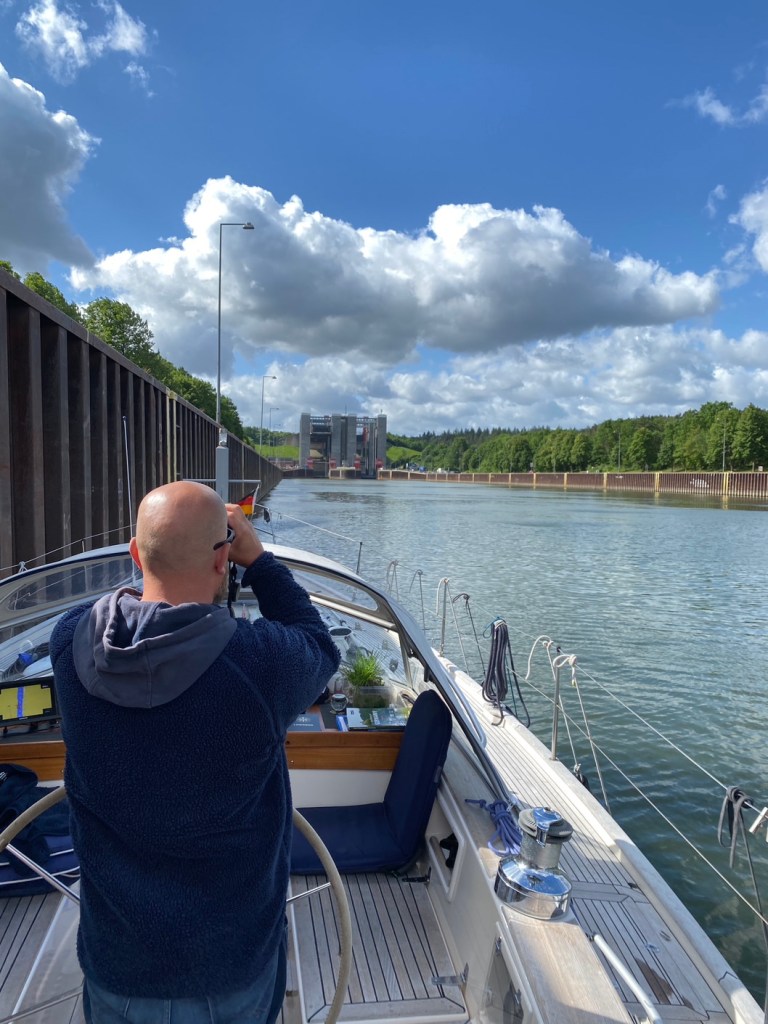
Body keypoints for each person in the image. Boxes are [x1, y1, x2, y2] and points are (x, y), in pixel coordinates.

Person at [50, 481, 341, 1024]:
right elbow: (318, 644)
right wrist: (260, 562)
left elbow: (130, 610)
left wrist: (180, 548)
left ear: (135, 555)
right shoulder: (261, 666)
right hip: (229, 969)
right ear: (222, 560)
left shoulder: (69, 643)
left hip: (117, 965)